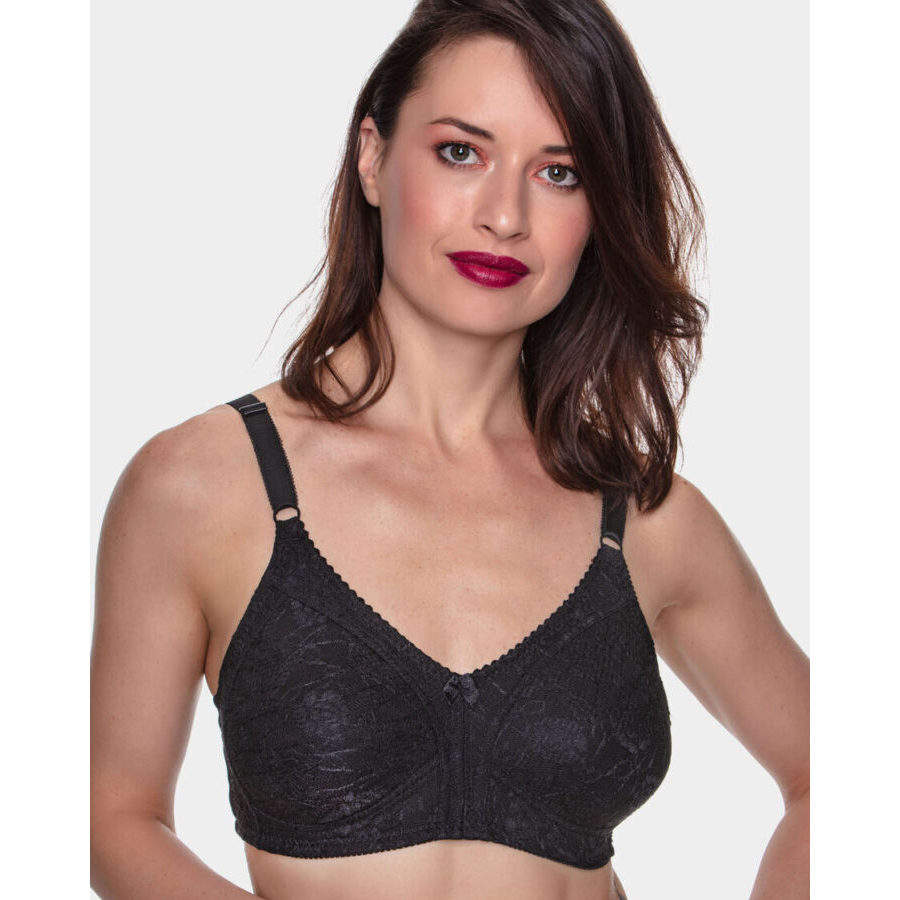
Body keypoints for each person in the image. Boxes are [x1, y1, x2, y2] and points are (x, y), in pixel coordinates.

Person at [90, 2, 810, 898]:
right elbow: (113, 821)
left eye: (560, 173)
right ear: (372, 158)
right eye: (461, 152)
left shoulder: (648, 519)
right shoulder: (202, 486)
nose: (505, 216)